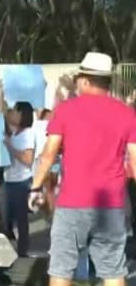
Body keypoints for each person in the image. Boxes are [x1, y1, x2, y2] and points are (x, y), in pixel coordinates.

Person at [30, 52, 136, 286]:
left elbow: (48, 154)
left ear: (86, 80)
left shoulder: (66, 110)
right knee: (113, 270)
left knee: (60, 269)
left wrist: (36, 186)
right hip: (111, 205)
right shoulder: (127, 114)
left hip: (72, 204)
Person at [1, 101, 35, 257]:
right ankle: (4, 252)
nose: (12, 113)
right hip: (9, 180)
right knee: (5, 218)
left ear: (23, 115)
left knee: (21, 219)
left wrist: (10, 147)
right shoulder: (14, 133)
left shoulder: (28, 134)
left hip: (21, 181)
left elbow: (28, 159)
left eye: (15, 111)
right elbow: (3, 112)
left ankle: (22, 252)